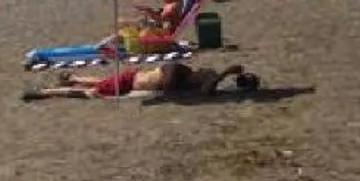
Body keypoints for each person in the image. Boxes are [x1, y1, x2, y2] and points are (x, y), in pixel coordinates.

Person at [24, 63, 256, 100]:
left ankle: (72, 78)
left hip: (132, 78)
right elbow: (208, 89)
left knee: (101, 83)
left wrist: (227, 74)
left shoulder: (189, 73)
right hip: (131, 83)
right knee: (92, 93)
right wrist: (226, 74)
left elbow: (208, 88)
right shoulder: (180, 75)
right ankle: (45, 92)